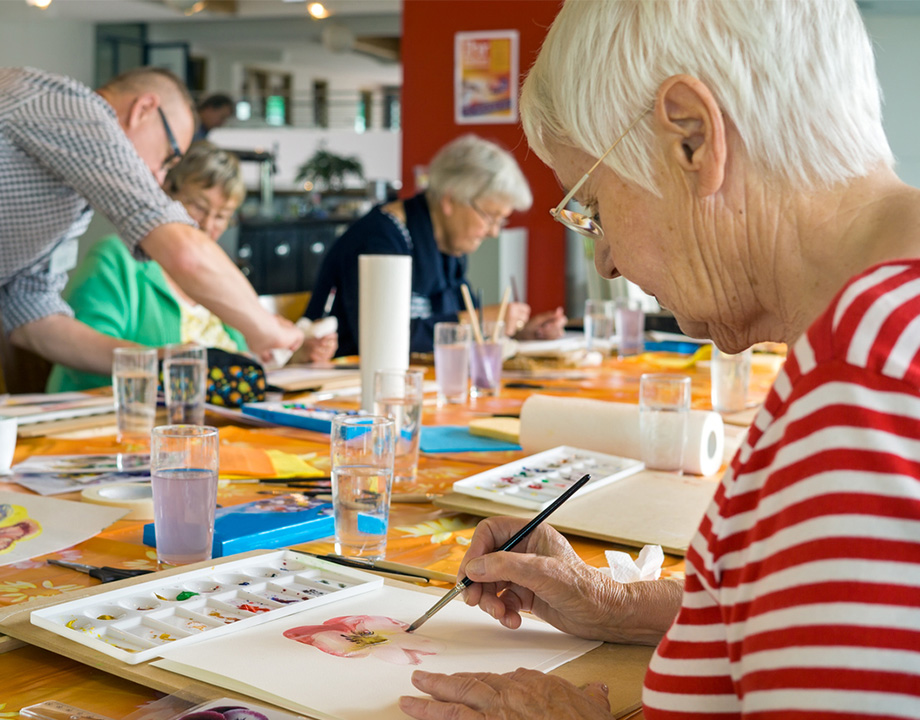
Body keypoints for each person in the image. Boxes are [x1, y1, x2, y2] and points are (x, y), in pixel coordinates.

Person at [398, 1, 920, 719]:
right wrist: (619, 607)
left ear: (693, 139)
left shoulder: (862, 398)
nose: (605, 260)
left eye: (595, 207)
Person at [0, 66, 301, 380]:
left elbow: (31, 316)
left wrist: (159, 361)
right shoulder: (72, 107)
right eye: (168, 158)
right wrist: (265, 328)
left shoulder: (70, 193)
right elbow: (180, 248)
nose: (159, 177)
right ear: (144, 109)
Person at [46, 142, 337, 392]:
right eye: (197, 206)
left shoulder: (217, 276)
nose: (208, 226)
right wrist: (165, 360)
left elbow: (240, 360)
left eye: (222, 216)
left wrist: (294, 358)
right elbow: (80, 362)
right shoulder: (117, 258)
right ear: (165, 192)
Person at [303, 134, 568, 356]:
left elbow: (460, 317)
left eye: (502, 221)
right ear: (450, 200)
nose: (494, 232)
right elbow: (383, 339)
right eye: (490, 217)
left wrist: (519, 330)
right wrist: (477, 321)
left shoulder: (448, 246)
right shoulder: (380, 239)